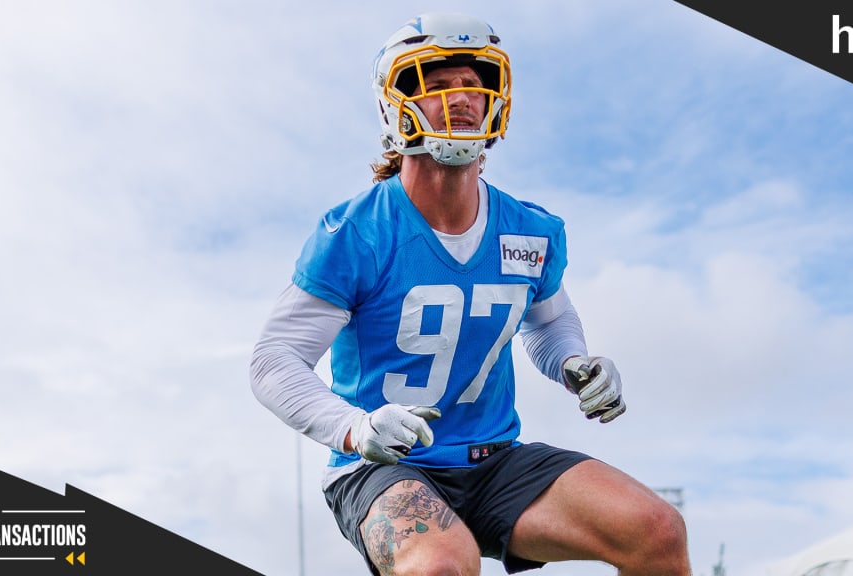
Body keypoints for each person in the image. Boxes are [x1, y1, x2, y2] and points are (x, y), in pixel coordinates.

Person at [250, 12, 690, 576]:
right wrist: (355, 427)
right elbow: (273, 360)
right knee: (442, 564)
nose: (462, 98)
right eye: (438, 86)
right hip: (383, 466)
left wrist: (574, 363)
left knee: (655, 529)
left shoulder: (529, 230)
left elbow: (548, 323)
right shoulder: (358, 232)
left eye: (473, 85)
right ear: (396, 103)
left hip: (492, 462)